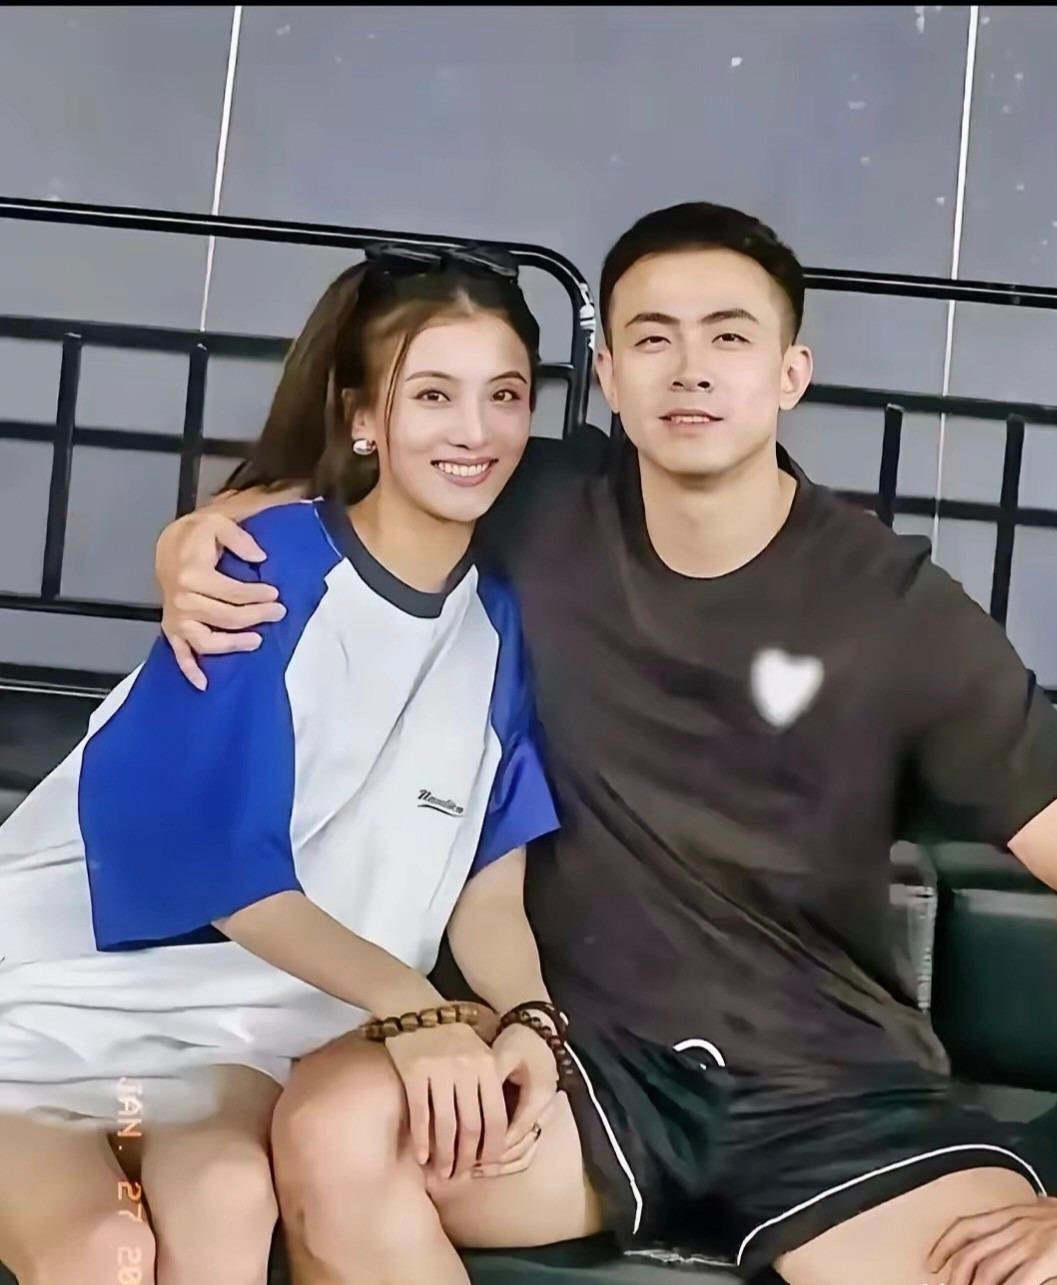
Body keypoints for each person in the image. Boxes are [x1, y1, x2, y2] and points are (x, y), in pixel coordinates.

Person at [156, 203, 1057, 1285]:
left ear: (789, 374)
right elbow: (346, 486)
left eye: (729, 336)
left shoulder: (900, 610)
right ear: (610, 375)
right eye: (653, 337)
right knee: (336, 1127)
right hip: (583, 1064)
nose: (691, 369)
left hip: (833, 1089)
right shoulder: (536, 505)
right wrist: (194, 540)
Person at [0, 244, 572, 1285]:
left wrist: (532, 1020)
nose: (475, 430)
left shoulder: (497, 630)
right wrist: (414, 1006)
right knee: (109, 1251)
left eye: (504, 395)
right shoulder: (257, 570)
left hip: (237, 1044)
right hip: (50, 1005)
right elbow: (220, 864)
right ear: (362, 418)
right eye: (432, 394)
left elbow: (488, 896)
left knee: (226, 1198)